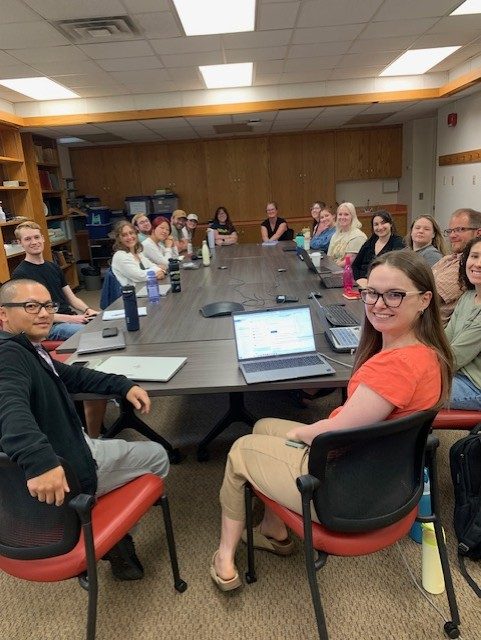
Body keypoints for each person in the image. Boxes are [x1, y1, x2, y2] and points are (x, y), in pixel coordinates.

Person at [210, 249, 452, 591]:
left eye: (395, 295)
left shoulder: (394, 368)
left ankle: (224, 557)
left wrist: (303, 432)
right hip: (382, 473)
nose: (379, 304)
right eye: (372, 293)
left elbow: (334, 432)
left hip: (346, 490)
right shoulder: (428, 354)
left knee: (241, 450)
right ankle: (273, 529)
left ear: (424, 300)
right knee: (264, 427)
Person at [0, 279, 169, 581]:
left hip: (40, 469)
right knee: (158, 455)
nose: (44, 313)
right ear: (3, 314)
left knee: (112, 445)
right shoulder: (9, 356)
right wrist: (39, 462)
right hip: (68, 466)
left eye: (48, 306)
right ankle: (117, 540)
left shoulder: (27, 349)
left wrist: (122, 384)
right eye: (31, 306)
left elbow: (72, 376)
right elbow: (9, 407)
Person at [12, 221, 99, 341]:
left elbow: (72, 299)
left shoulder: (53, 267)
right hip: (48, 325)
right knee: (93, 333)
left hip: (68, 318)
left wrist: (88, 310)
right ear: (20, 243)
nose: (34, 242)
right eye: (27, 239)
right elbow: (33, 314)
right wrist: (72, 319)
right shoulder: (20, 274)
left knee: (105, 324)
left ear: (43, 239)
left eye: (37, 237)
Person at [445, 237, 481, 410]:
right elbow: (445, 339)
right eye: (474, 256)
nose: (478, 264)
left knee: (406, 387)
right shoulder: (468, 296)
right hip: (457, 375)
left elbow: (455, 358)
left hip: (475, 386)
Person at [432, 208, 481, 326]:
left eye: (460, 229)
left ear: (478, 232)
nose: (452, 235)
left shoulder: (467, 267)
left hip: (428, 330)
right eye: (450, 231)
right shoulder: (447, 259)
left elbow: (425, 296)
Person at [352, 210, 405, 284]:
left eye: (383, 223)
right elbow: (355, 265)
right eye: (376, 224)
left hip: (384, 284)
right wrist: (358, 280)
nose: (380, 227)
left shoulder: (398, 243)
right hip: (361, 283)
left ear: (391, 224)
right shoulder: (369, 243)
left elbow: (397, 270)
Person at [111, 222, 166, 287]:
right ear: (119, 239)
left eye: (131, 233)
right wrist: (158, 270)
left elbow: (152, 265)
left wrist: (161, 271)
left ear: (136, 234)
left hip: (145, 287)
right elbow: (139, 276)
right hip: (134, 291)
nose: (129, 237)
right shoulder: (120, 256)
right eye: (124, 235)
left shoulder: (137, 252)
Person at [327, 202, 367, 268]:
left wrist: (332, 268)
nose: (342, 217)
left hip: (346, 271)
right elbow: (329, 257)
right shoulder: (335, 235)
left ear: (352, 216)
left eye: (346, 214)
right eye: (340, 214)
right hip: (333, 269)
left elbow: (349, 261)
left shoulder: (358, 236)